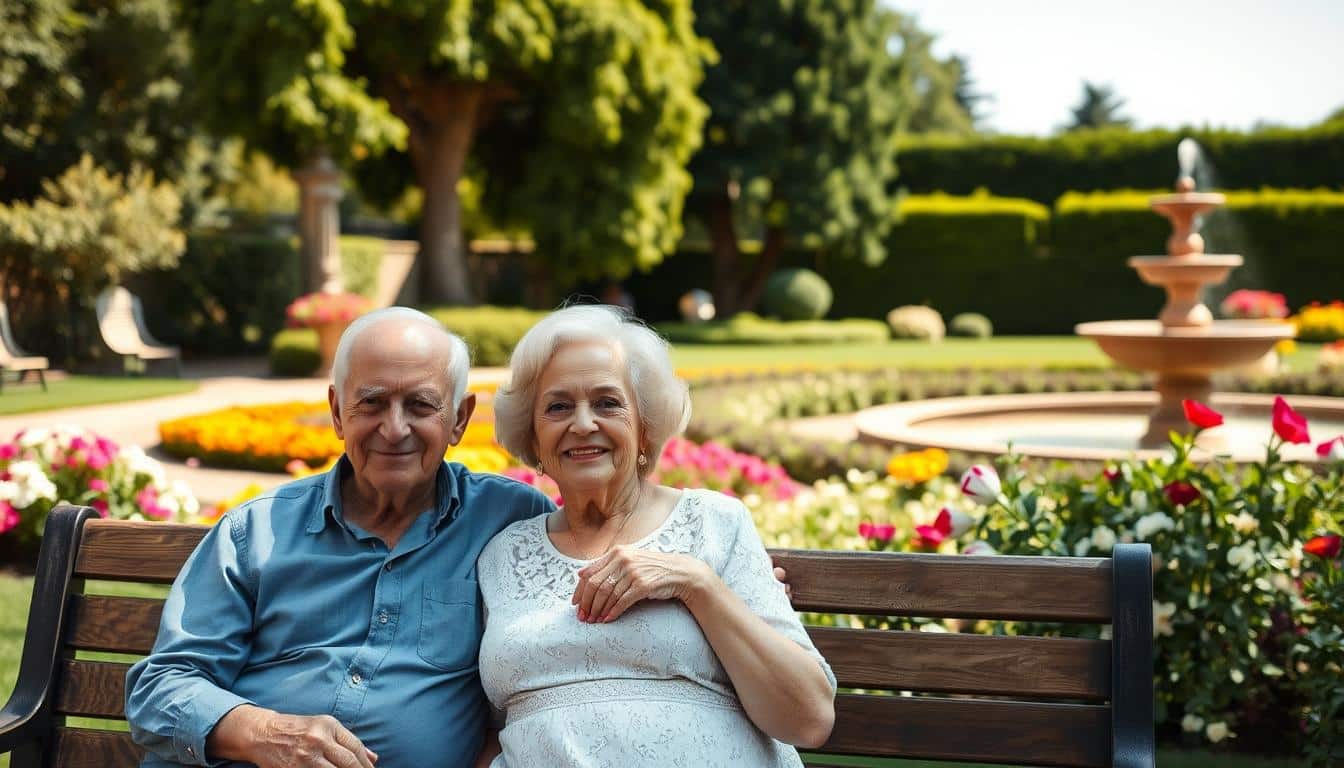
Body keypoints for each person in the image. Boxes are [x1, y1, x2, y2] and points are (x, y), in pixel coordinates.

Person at [124, 307, 554, 767]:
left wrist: (644, 571)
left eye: (421, 405)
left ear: (460, 419)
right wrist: (269, 734)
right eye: (371, 402)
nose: (394, 428)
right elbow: (159, 689)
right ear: (336, 412)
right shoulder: (255, 532)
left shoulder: (510, 519)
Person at [477, 304, 836, 767]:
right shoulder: (503, 554)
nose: (583, 423)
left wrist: (696, 583)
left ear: (645, 428)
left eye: (607, 403)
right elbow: (487, 726)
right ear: (535, 436)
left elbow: (809, 719)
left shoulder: (714, 523)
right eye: (558, 406)